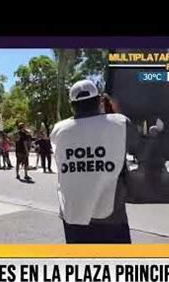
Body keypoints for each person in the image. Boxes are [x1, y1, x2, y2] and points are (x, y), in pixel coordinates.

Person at [50, 79, 140, 244]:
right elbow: (139, 149)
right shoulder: (119, 123)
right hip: (110, 216)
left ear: (72, 105)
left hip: (72, 215)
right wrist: (113, 110)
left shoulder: (58, 130)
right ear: (99, 101)